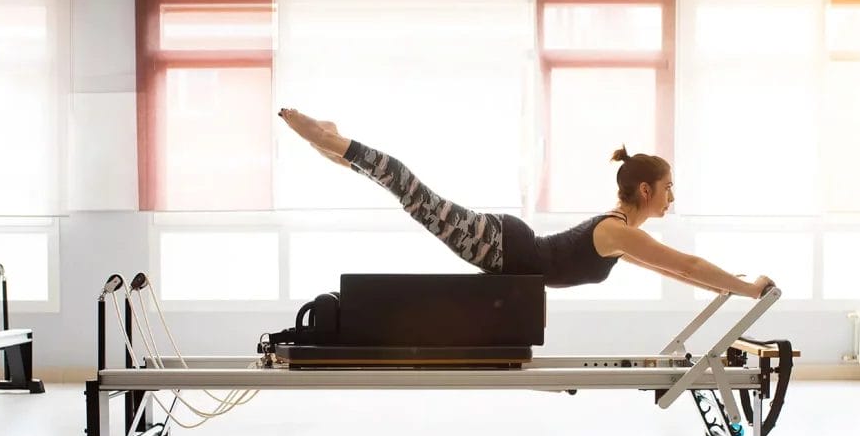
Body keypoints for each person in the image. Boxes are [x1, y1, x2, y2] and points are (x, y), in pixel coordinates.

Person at [278, 108, 774, 298]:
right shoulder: (619, 231)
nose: (672, 197)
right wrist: (748, 288)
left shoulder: (621, 235)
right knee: (413, 192)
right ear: (645, 190)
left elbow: (677, 272)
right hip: (500, 245)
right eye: (668, 188)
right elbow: (685, 261)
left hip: (503, 246)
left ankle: (337, 148)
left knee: (412, 198)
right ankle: (334, 141)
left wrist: (726, 289)